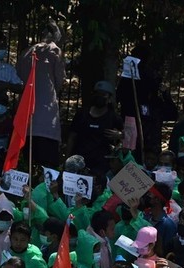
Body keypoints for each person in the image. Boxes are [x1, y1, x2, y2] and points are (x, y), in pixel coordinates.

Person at [18, 20, 65, 168]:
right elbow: (59, 81)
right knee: (48, 166)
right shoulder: (54, 51)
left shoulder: (27, 52)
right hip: (47, 119)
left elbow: (20, 75)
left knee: (29, 163)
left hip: (27, 116)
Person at [66, 81, 123, 176]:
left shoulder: (114, 118)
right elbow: (72, 137)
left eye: (103, 95)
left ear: (109, 98)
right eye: (97, 94)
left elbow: (127, 138)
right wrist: (67, 159)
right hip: (79, 161)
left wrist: (119, 135)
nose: (100, 97)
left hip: (101, 164)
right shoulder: (82, 114)